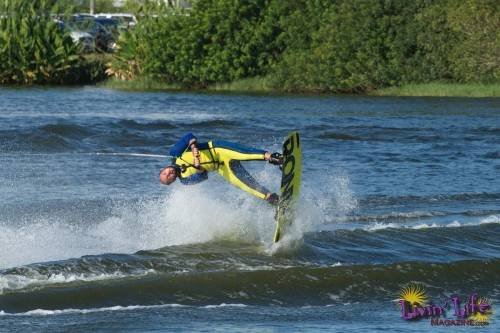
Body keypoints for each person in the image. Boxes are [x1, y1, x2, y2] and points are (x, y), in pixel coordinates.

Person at [159, 133, 283, 205]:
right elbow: (203, 176)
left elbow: (188, 136)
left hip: (218, 149)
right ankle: (274, 199)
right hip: (222, 168)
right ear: (173, 180)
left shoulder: (175, 153)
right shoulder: (185, 180)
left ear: (164, 168)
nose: (169, 173)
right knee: (246, 186)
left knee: (246, 154)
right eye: (168, 177)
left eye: (165, 172)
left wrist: (193, 147)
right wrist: (199, 168)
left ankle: (275, 158)